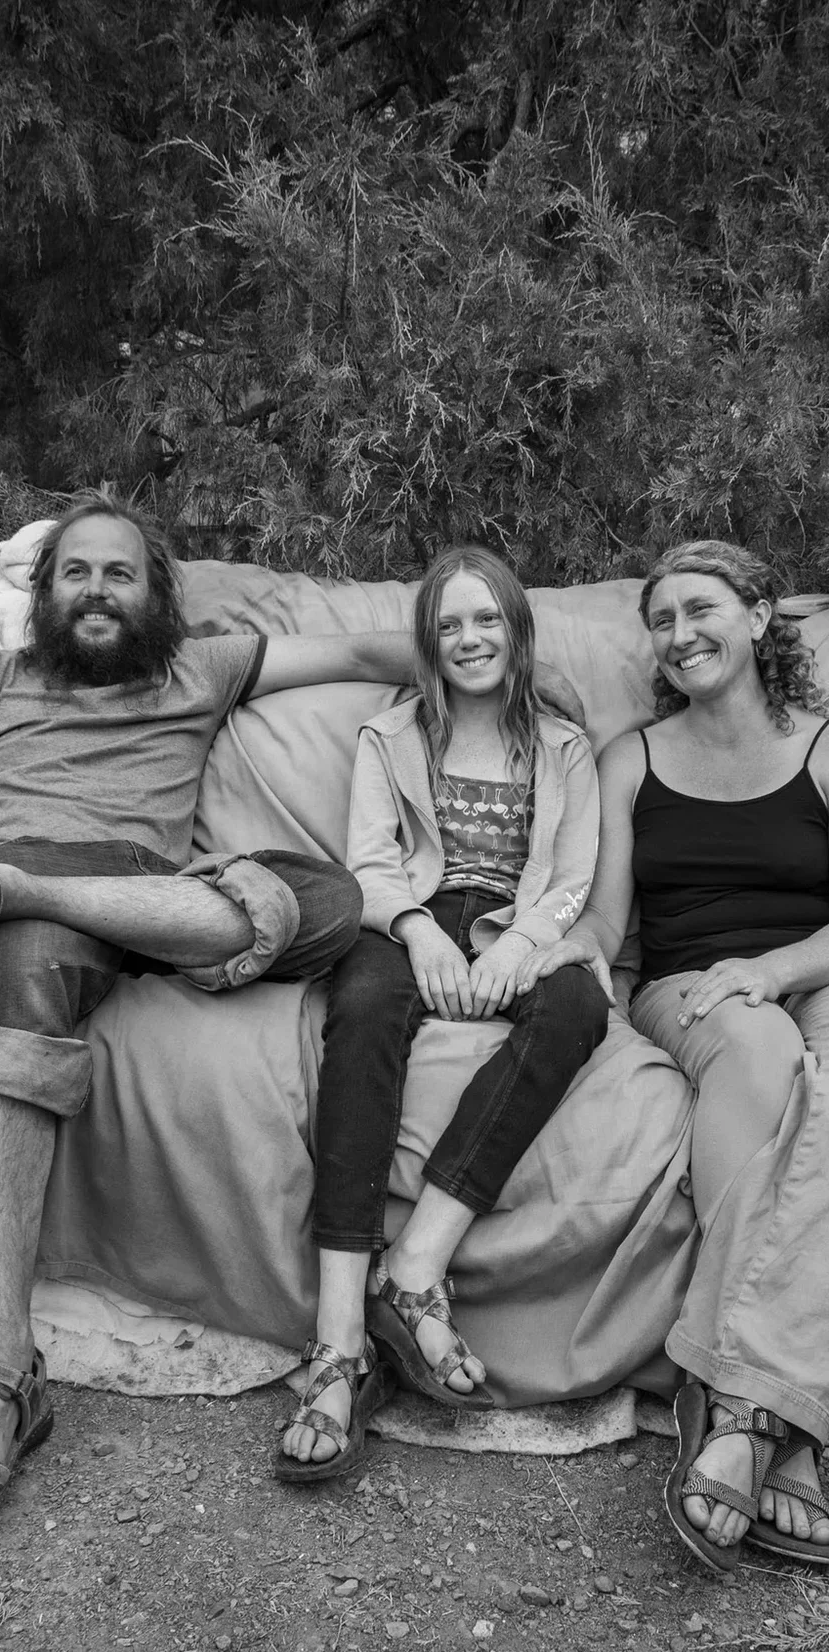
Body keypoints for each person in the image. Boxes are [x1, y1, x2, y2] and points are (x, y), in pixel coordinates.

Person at [0, 488, 422, 1541]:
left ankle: (8, 893)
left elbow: (367, 655)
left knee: (335, 903)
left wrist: (495, 645)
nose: (97, 589)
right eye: (76, 571)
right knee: (24, 957)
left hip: (147, 899)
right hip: (35, 908)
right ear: (45, 593)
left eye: (120, 572)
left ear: (156, 592)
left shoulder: (202, 666)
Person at [556, 539, 829, 1570]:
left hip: (824, 968)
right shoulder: (630, 756)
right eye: (664, 619)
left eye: (700, 609)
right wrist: (559, 961)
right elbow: (604, 920)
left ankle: (746, 1409)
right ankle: (779, 1424)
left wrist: (774, 967)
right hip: (692, 984)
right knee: (763, 1054)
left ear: (759, 616)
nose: (680, 634)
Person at [276, 547, 612, 1483]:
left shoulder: (564, 747)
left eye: (487, 620)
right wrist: (420, 932)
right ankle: (339, 1341)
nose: (470, 639)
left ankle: (417, 1264)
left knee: (578, 1004)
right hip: (409, 919)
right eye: (449, 624)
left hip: (519, 920)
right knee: (367, 1006)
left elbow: (572, 876)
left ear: (517, 631)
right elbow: (371, 865)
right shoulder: (388, 740)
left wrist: (517, 947)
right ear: (428, 642)